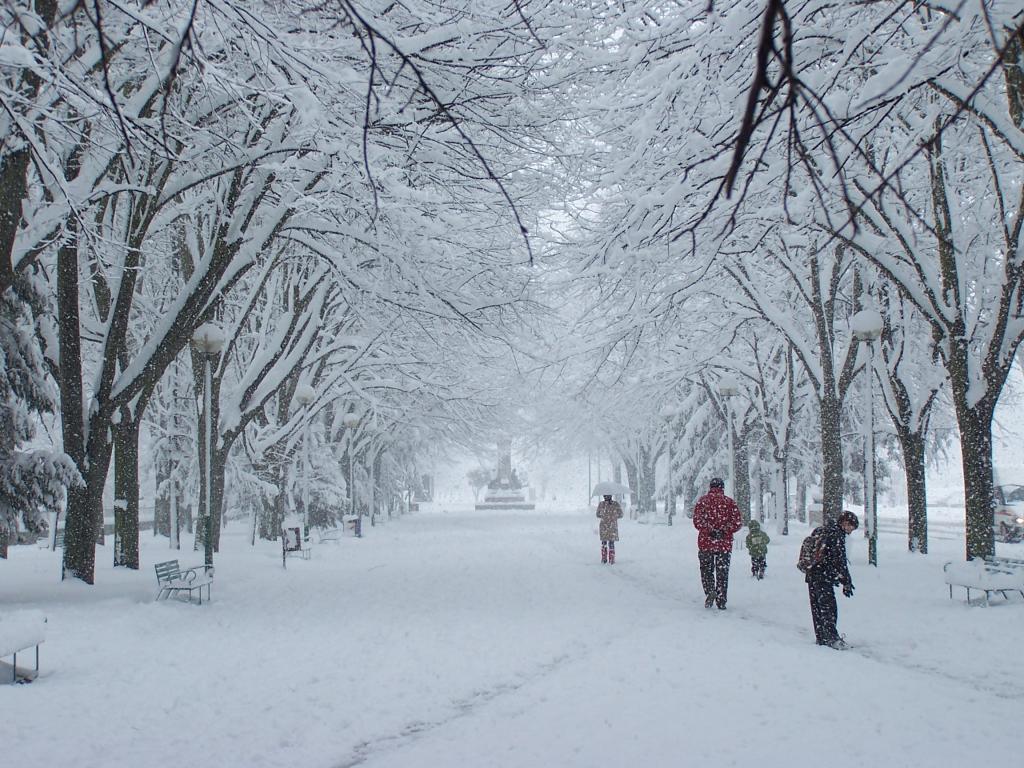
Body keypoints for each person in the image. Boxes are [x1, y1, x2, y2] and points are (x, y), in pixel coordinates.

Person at [806, 510, 859, 649]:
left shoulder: (824, 531)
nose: (851, 531)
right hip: (823, 576)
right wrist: (846, 581)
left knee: (817, 608)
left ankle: (821, 637)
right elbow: (839, 561)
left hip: (812, 573)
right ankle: (832, 638)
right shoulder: (837, 535)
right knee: (829, 608)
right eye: (851, 527)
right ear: (845, 523)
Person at [693, 478, 742, 609]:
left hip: (706, 543)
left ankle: (710, 590)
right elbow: (737, 522)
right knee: (722, 572)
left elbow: (697, 521)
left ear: (710, 487)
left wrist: (710, 530)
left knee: (706, 569)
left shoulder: (703, 502)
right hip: (724, 544)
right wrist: (724, 530)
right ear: (722, 488)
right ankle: (721, 600)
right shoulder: (729, 503)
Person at [596, 494, 623, 564]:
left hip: (604, 526)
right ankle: (612, 559)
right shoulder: (615, 504)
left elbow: (597, 515)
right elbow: (621, 515)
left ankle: (604, 558)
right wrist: (613, 516)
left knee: (604, 542)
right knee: (611, 543)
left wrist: (604, 515)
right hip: (612, 526)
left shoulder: (601, 504)